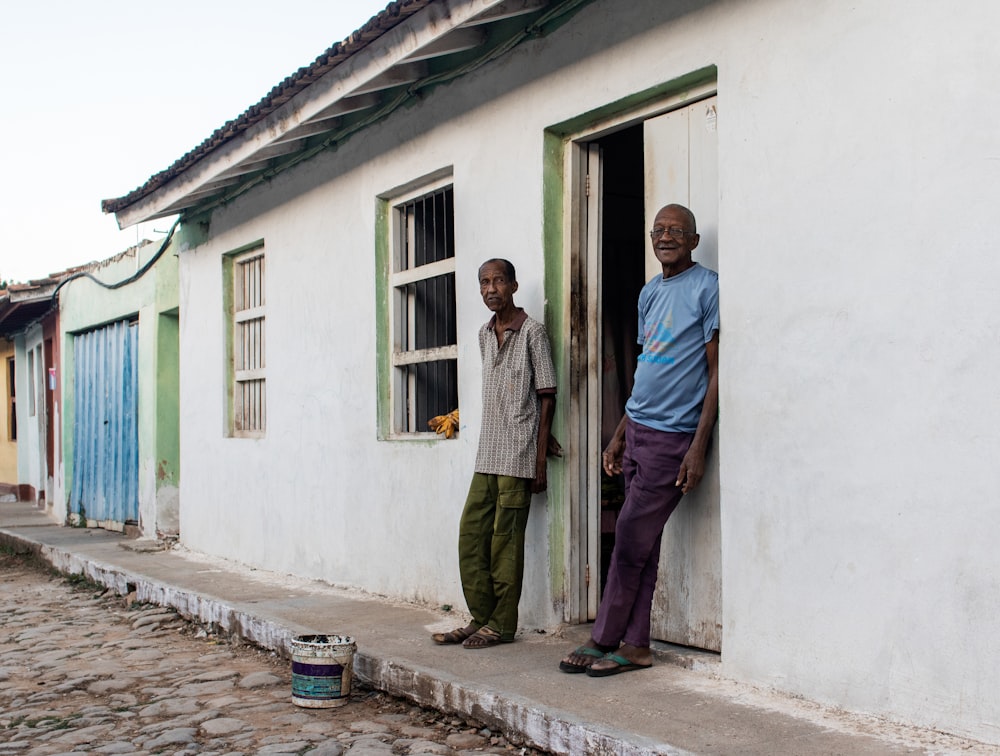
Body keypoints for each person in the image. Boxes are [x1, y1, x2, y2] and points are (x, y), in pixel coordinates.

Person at [560, 203, 719, 676]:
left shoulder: (708, 287)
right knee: (642, 545)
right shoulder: (650, 293)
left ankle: (605, 636)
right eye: (659, 230)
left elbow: (716, 373)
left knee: (629, 537)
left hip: (674, 436)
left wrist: (697, 445)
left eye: (676, 230)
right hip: (639, 429)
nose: (665, 237)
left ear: (693, 240)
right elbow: (646, 369)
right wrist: (618, 436)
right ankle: (636, 644)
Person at [432, 258, 559, 649]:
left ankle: (502, 625)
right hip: (488, 452)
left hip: (518, 455)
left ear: (514, 286)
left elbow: (547, 396)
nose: (491, 289)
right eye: (484, 282)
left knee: (505, 542)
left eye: (498, 281)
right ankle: (481, 616)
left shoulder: (533, 332)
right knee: (471, 536)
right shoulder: (485, 334)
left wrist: (539, 458)